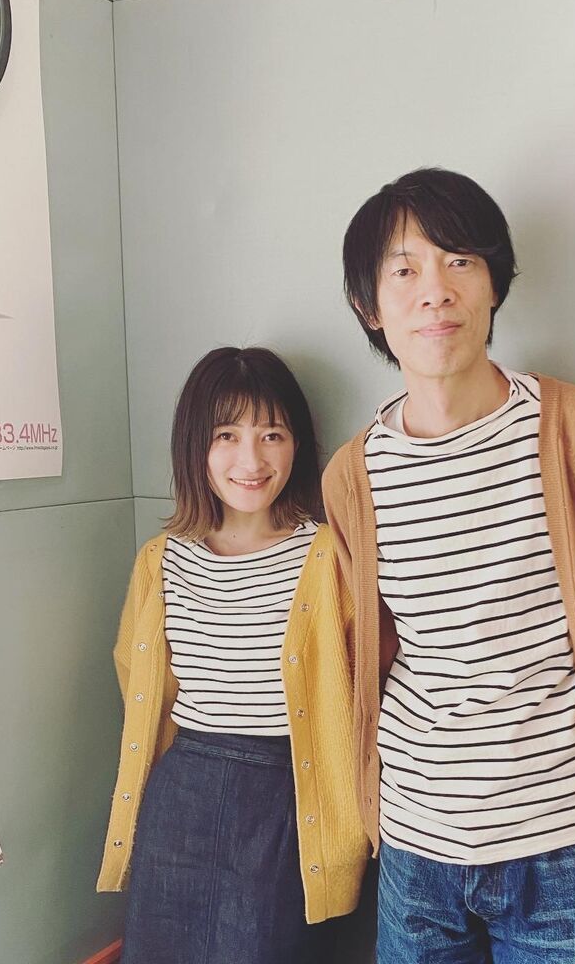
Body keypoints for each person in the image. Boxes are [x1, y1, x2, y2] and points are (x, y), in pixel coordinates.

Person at [323, 169, 575, 964]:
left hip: (564, 846)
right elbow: (371, 648)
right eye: (404, 269)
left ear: (494, 282)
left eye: (460, 260)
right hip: (414, 847)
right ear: (368, 305)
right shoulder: (354, 473)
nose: (436, 290)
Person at [98, 346, 368, 964]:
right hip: (181, 793)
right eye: (227, 435)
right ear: (195, 446)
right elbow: (137, 679)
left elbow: (363, 687)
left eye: (272, 434)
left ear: (297, 446)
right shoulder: (161, 559)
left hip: (288, 798)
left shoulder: (330, 557)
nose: (251, 460)